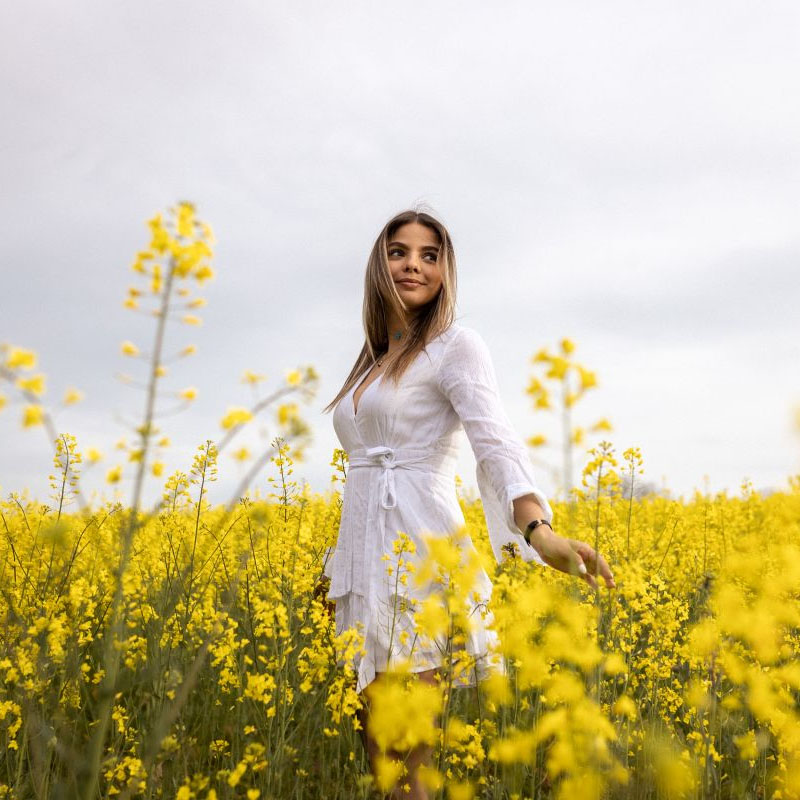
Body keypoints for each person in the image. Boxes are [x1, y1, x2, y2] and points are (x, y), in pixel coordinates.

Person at [321, 208, 616, 799]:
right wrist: (338, 562)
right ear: (379, 263)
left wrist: (538, 530)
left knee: (410, 764)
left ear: (446, 270)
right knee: (379, 759)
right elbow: (366, 471)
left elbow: (495, 440)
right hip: (364, 558)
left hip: (421, 554)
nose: (412, 265)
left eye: (430, 255)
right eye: (399, 251)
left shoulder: (455, 346)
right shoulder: (374, 359)